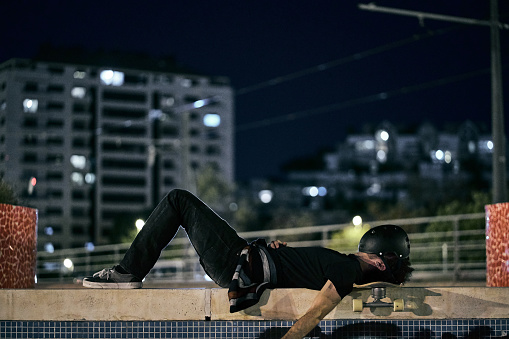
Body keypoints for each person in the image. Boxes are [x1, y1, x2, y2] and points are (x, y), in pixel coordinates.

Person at [84, 189, 413, 339]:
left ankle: (126, 273)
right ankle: (127, 271)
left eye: (364, 252)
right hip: (248, 259)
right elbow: (304, 271)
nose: (357, 253)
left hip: (236, 262)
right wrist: (281, 253)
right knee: (180, 202)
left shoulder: (346, 270)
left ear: (378, 262)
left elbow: (314, 313)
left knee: (178, 200)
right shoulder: (346, 267)